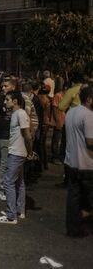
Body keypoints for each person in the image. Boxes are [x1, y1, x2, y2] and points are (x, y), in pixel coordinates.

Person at [0, 91, 32, 224]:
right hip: (17, 151)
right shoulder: (16, 114)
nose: (5, 102)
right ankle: (19, 210)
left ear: (15, 101)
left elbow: (27, 134)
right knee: (19, 182)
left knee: (8, 182)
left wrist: (30, 151)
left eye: (7, 100)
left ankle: (11, 215)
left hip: (16, 152)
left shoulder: (20, 113)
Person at [64, 86, 93, 237]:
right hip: (87, 164)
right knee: (89, 197)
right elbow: (90, 142)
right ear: (89, 99)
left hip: (72, 162)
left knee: (73, 199)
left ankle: (73, 229)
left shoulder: (70, 112)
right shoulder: (88, 116)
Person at [0, 77, 17, 201]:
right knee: (4, 163)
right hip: (4, 135)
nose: (3, 88)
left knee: (14, 164)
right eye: (2, 86)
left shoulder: (18, 100)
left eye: (6, 86)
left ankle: (9, 187)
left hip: (16, 136)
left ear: (13, 87)